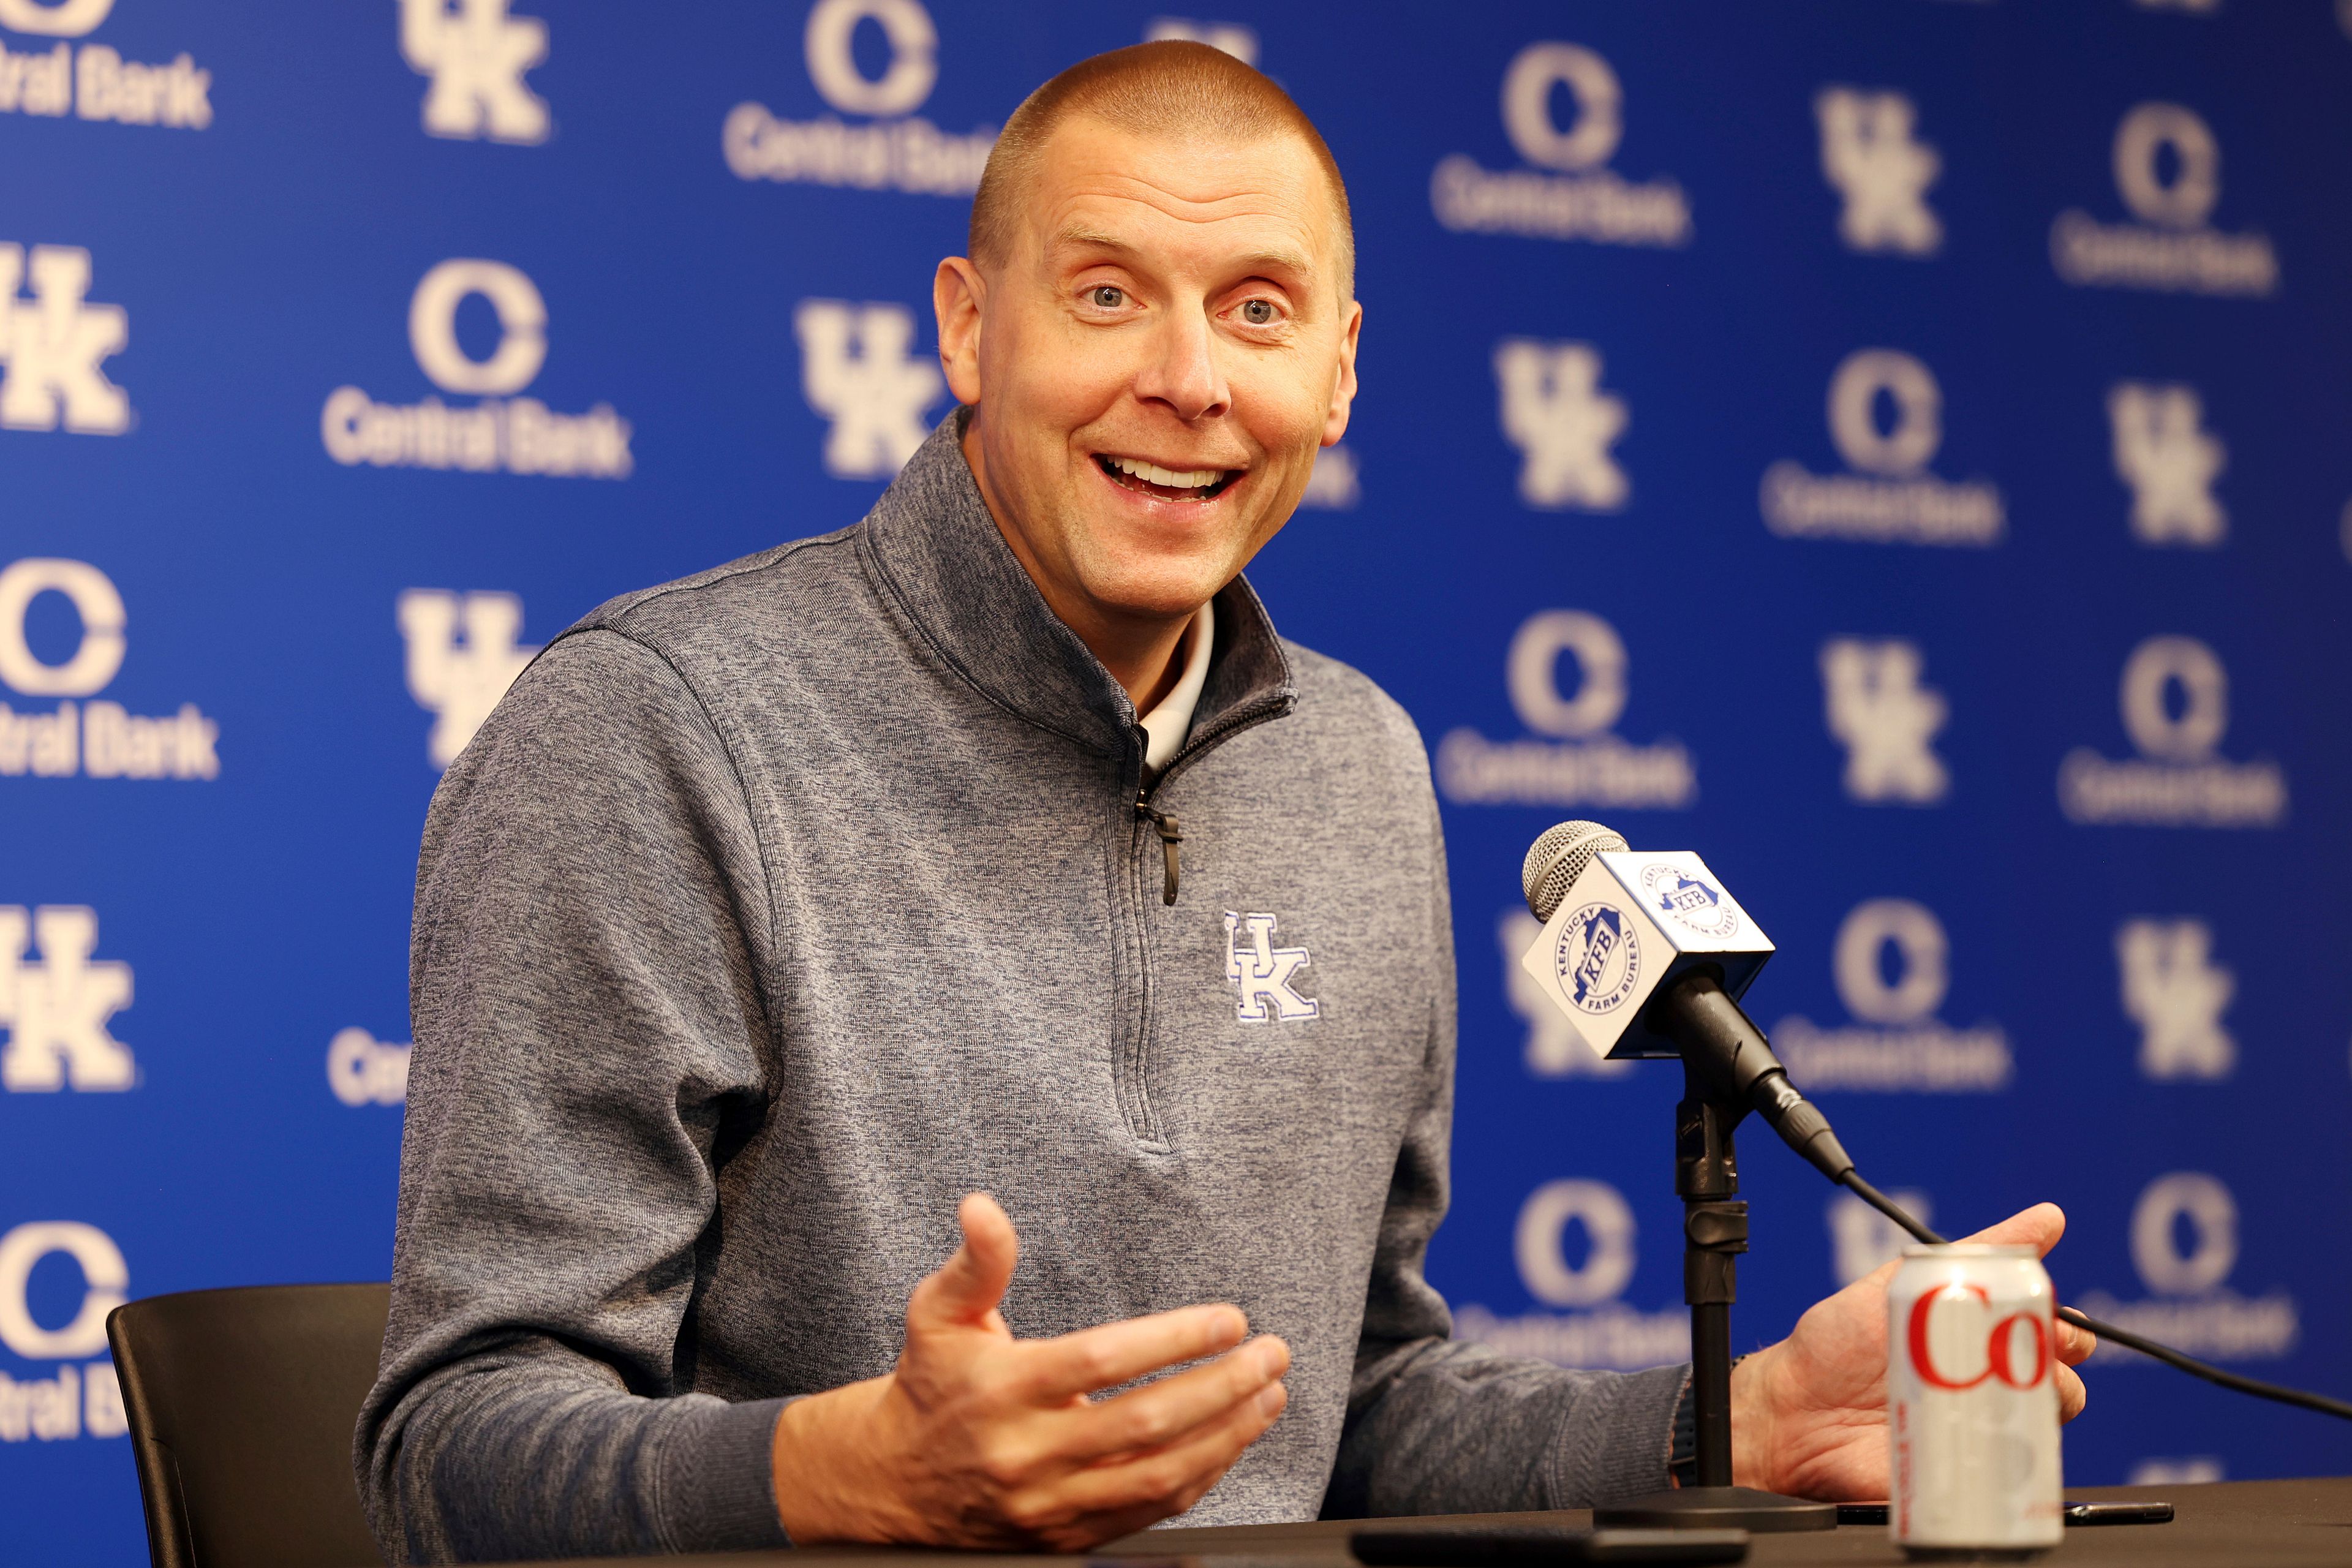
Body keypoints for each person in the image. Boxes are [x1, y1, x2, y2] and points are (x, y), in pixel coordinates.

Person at [356, 41, 2090, 1564]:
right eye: (1107, 292)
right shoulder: (655, 731)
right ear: (971, 326)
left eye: (1255, 310)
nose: (1187, 379)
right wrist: (843, 1472)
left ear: (1336, 371)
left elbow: (1367, 1406)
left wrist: (1732, 1422)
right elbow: (448, 1454)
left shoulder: (1362, 764)